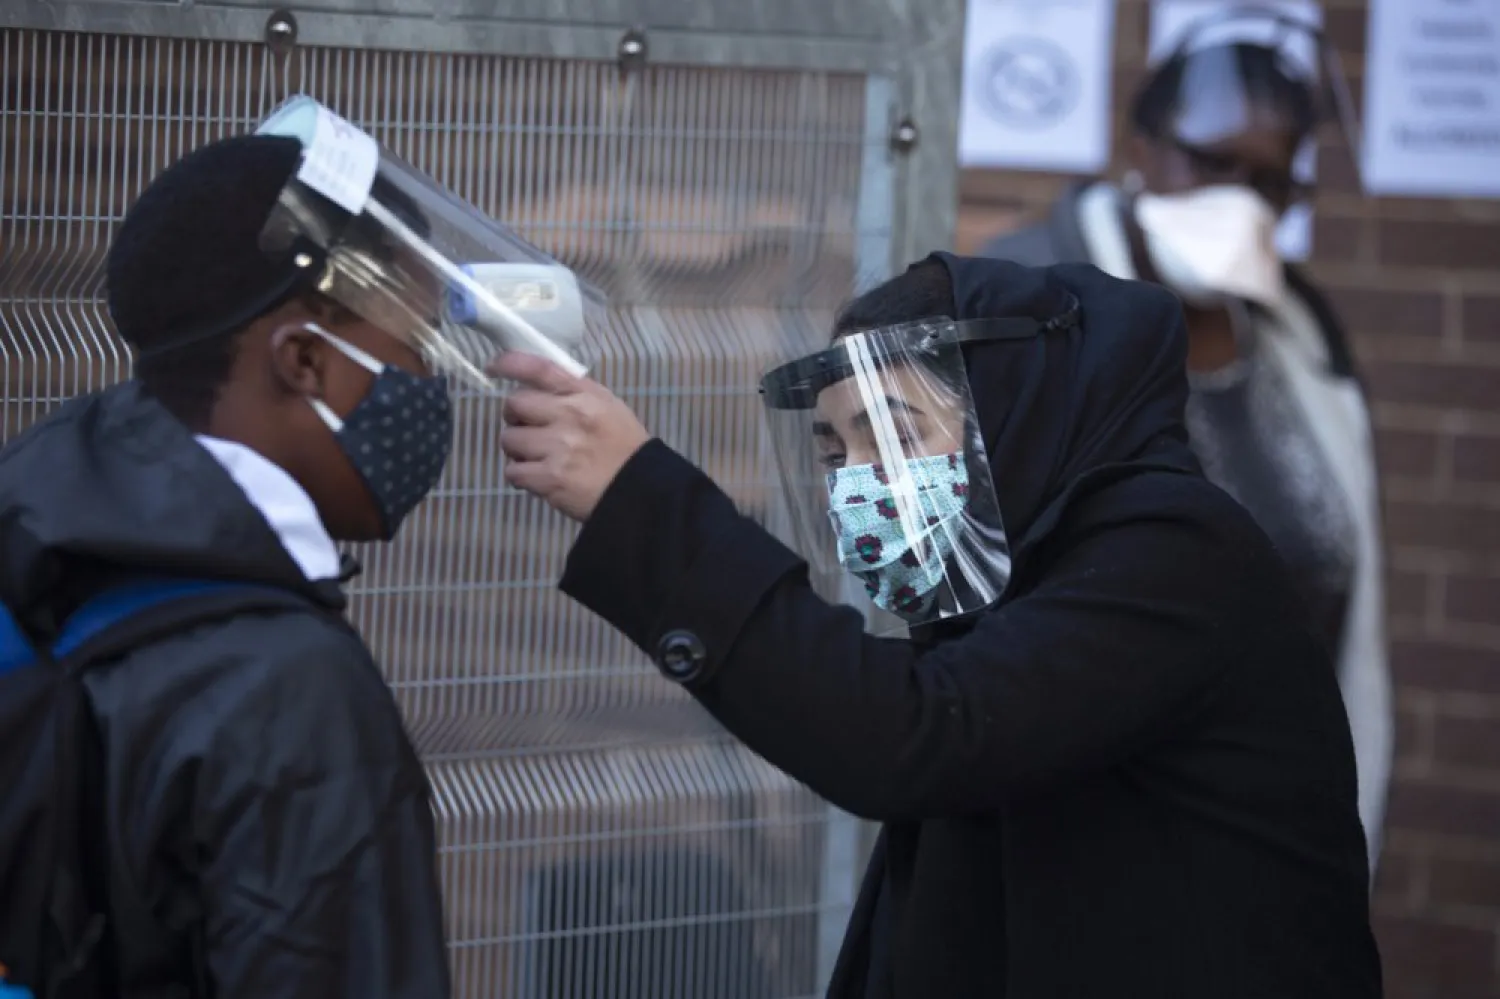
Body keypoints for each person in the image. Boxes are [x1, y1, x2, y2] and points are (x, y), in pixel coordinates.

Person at [489, 251, 1383, 996]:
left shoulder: (1174, 551)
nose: (860, 479)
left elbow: (910, 733)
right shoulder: (1002, 599)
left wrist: (640, 502)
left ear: (1017, 411)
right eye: (836, 449)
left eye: (897, 431)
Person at [0, 131, 469, 996]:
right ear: (303, 359)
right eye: (418, 349)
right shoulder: (288, 688)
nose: (431, 389)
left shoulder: (41, 552)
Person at [981, 24, 1392, 868]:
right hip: (1076, 836)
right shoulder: (1025, 304)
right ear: (1144, 149)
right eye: (1213, 163)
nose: (1241, 200)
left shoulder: (1304, 340)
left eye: (1271, 182)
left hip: (1267, 833)